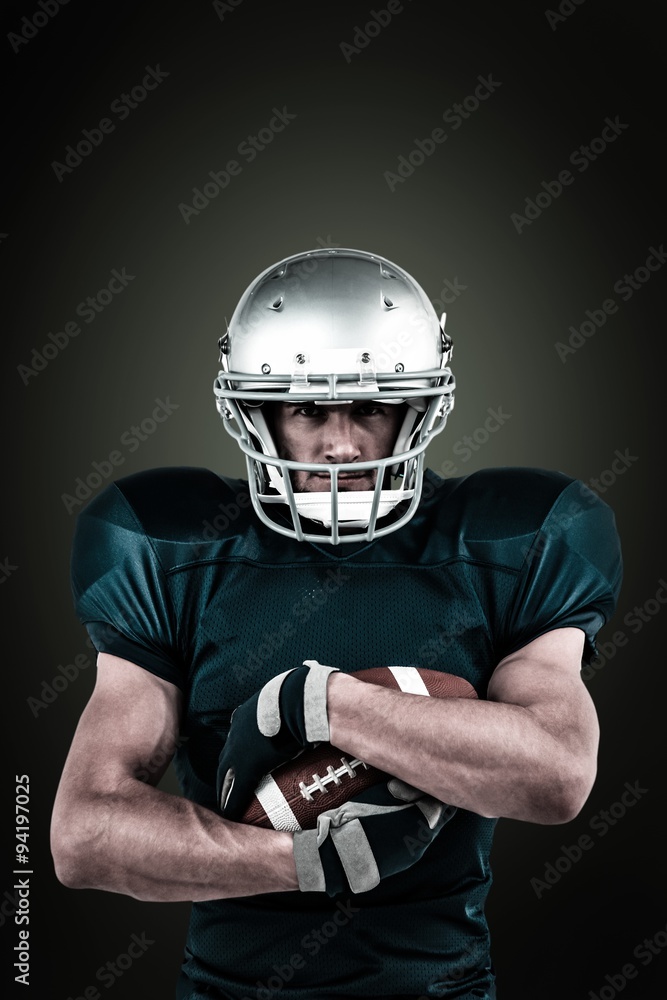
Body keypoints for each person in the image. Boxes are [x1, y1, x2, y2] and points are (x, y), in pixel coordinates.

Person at [51, 247, 623, 1000]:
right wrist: (311, 862)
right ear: (255, 413)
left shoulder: (509, 537)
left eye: (372, 407)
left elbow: (556, 774)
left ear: (420, 409)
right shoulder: (173, 545)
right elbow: (82, 834)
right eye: (308, 409)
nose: (341, 443)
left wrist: (323, 704)